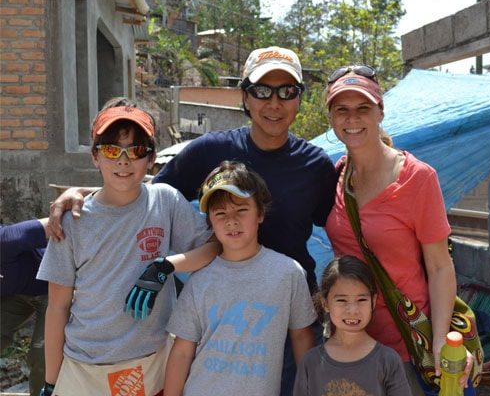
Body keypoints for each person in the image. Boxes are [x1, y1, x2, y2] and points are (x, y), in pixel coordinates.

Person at [48, 46, 337, 396]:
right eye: (262, 91)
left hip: (286, 313)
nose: (273, 103)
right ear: (245, 96)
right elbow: (136, 188)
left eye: (287, 91)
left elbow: (341, 233)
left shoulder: (317, 166)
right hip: (216, 313)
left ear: (300, 99)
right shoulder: (208, 151)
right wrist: (81, 194)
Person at [36, 103, 219, 396]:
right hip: (85, 367)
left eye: (135, 150)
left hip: (151, 364)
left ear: (151, 159)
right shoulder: (71, 220)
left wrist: (166, 265)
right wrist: (51, 381)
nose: (123, 161)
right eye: (111, 150)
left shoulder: (165, 201)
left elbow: (212, 247)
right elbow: (57, 307)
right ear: (95, 157)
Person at [323, 66, 473, 395]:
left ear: (380, 111)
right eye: (341, 110)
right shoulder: (336, 176)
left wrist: (439, 342)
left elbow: (439, 265)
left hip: (406, 346)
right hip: (351, 342)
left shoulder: (417, 178)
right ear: (331, 118)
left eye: (363, 108)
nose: (352, 118)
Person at [164, 161, 316, 396]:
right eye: (220, 213)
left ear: (261, 214)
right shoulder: (199, 279)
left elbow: (301, 336)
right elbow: (183, 351)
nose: (231, 220)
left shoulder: (288, 273)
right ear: (210, 222)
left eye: (241, 210)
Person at [293, 255, 411, 396]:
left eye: (361, 299)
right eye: (342, 300)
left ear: (373, 302)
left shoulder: (388, 361)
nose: (353, 310)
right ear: (325, 303)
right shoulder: (310, 363)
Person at [1, 218, 50, 396]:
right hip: (17, 294)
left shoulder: (7, 239)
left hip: (52, 289)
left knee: (42, 356)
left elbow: (61, 222)